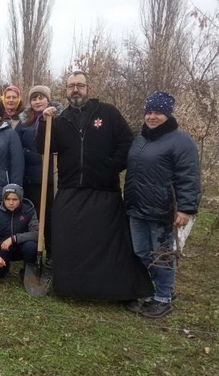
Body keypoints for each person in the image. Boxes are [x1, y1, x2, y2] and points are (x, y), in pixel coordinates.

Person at [38, 70, 153, 301]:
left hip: (103, 190)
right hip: (71, 189)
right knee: (70, 240)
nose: (76, 90)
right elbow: (44, 147)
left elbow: (126, 144)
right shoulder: (60, 120)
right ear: (66, 90)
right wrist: (44, 122)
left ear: (88, 88)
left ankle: (112, 290)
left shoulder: (107, 114)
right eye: (71, 86)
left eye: (80, 85)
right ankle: (72, 288)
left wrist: (109, 168)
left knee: (107, 245)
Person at [124, 92, 201, 318]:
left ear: (167, 114)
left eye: (157, 112)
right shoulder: (141, 138)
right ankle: (153, 289)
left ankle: (164, 296)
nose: (152, 116)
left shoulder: (181, 141)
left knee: (162, 255)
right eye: (148, 112)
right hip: (137, 206)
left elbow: (189, 176)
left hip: (163, 209)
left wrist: (186, 209)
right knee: (141, 251)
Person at [15, 85, 60, 258]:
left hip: (50, 178)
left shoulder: (58, 119)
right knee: (32, 217)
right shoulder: (24, 123)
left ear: (48, 99)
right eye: (34, 98)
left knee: (50, 217)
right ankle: (33, 252)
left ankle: (51, 251)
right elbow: (17, 146)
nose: (37, 101)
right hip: (31, 178)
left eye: (41, 97)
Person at [0, 184, 38, 281]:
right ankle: (4, 267)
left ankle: (28, 271)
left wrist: (14, 238)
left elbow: (36, 234)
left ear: (20, 199)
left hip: (22, 247)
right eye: (7, 199)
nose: (11, 202)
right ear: (3, 199)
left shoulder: (29, 211)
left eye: (15, 199)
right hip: (3, 248)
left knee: (31, 246)